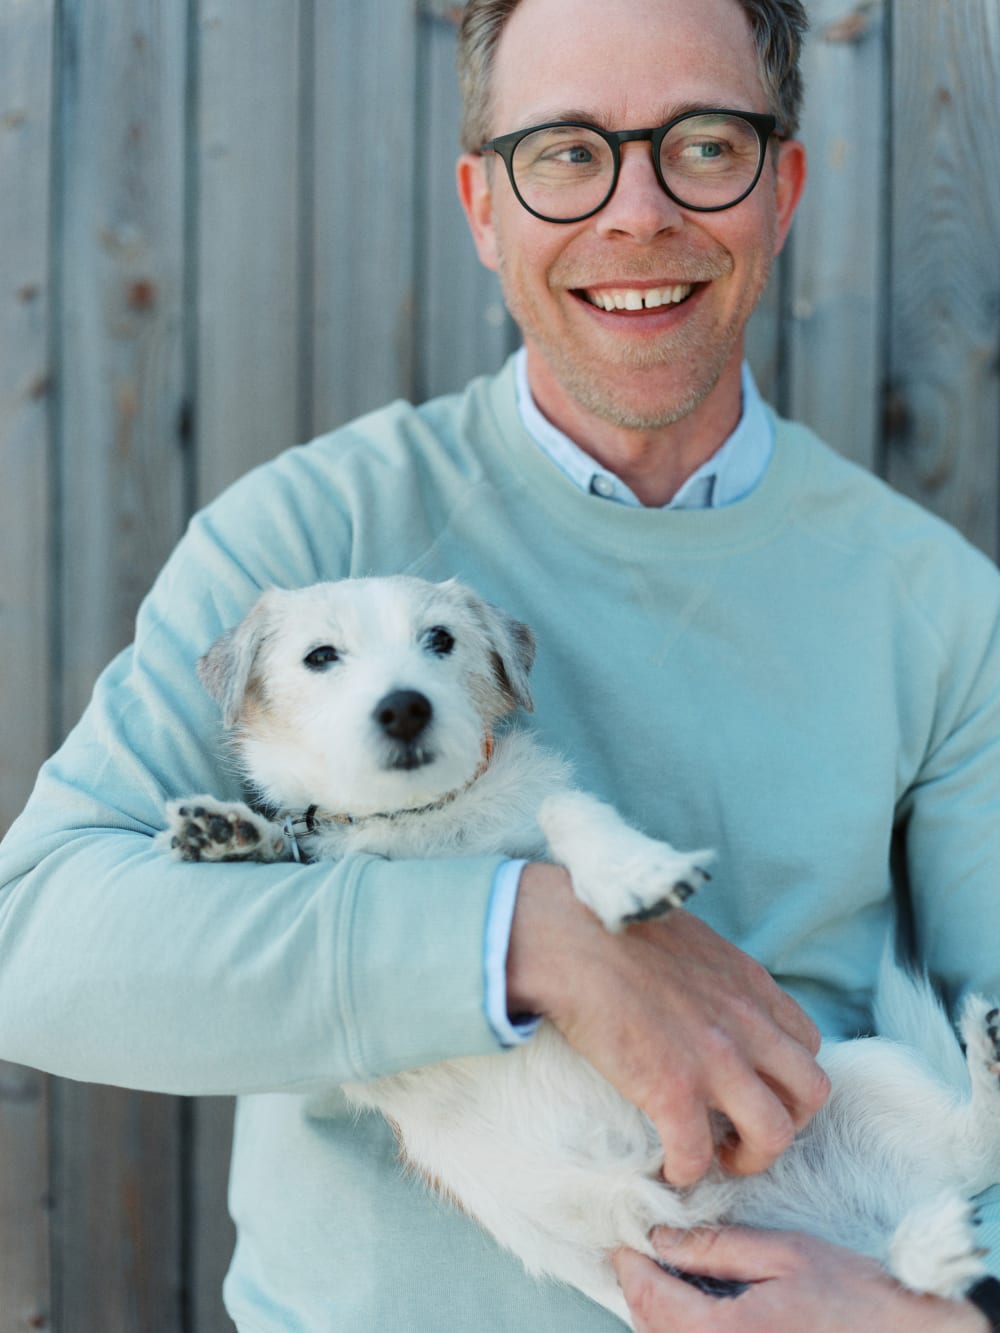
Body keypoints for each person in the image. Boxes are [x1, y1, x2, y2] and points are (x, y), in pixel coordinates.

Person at [0, 0, 998, 1328]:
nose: (638, 213)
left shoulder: (940, 606)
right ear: (483, 205)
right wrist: (529, 936)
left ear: (783, 187)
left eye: (705, 144)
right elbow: (36, 942)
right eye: (567, 153)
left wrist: (950, 1316)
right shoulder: (303, 541)